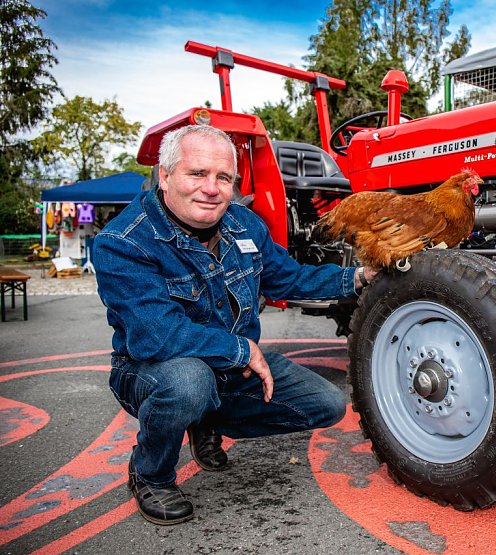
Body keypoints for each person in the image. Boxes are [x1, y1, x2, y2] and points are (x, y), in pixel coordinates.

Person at [94, 124, 377, 525]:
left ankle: (205, 418)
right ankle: (151, 473)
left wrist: (358, 277)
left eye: (223, 177)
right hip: (152, 370)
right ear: (166, 175)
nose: (211, 188)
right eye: (197, 174)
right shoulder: (123, 243)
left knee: (327, 404)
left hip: (231, 368)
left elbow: (290, 277)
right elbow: (157, 336)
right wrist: (242, 350)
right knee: (189, 384)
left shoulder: (244, 224)